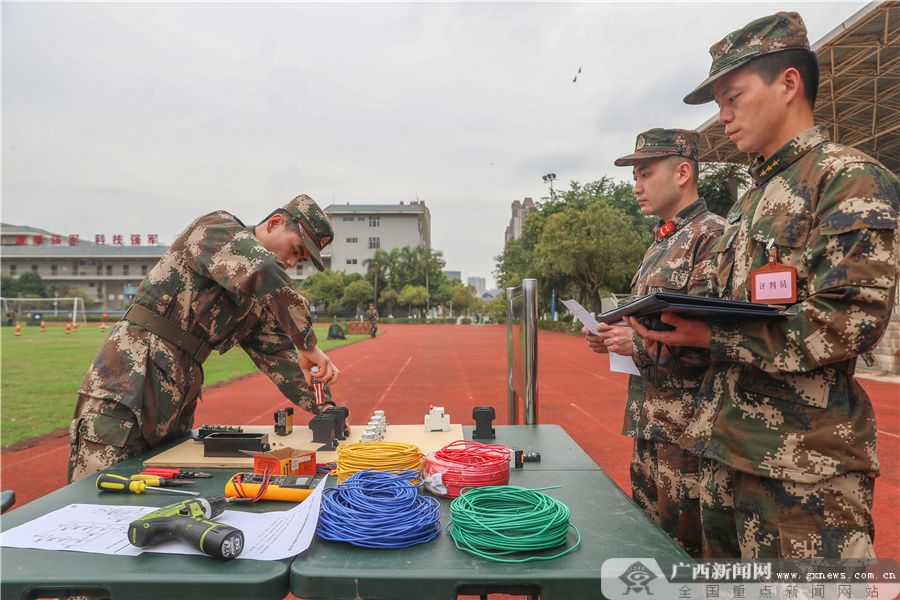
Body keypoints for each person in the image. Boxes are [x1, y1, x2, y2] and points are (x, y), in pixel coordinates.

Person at [631, 12, 899, 558]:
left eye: (733, 96)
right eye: (719, 105)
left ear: (788, 83)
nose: (724, 117)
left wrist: (711, 337)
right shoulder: (754, 200)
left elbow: (848, 322)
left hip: (803, 472)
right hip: (726, 454)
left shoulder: (847, 178)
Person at [68, 194, 345, 482]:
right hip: (130, 379)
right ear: (275, 223)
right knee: (100, 492)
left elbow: (280, 358)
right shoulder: (217, 230)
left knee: (158, 495)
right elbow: (262, 269)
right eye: (295, 249)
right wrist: (307, 342)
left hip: (176, 398)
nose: (290, 262)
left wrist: (326, 407)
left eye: (299, 261)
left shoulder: (255, 301)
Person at [584, 128, 724, 557]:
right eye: (634, 177)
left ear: (683, 172)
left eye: (645, 173)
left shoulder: (712, 235)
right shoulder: (659, 245)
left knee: (687, 555)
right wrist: (610, 335)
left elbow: (718, 334)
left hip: (690, 434)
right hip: (651, 425)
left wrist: (637, 344)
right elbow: (648, 323)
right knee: (651, 547)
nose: (636, 186)